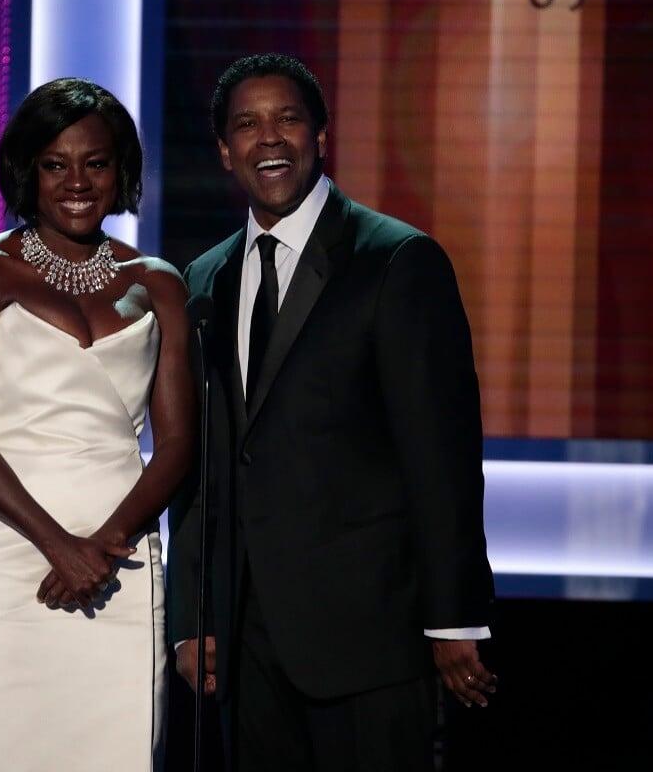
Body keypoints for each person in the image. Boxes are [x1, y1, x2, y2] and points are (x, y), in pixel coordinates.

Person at [165, 52, 497, 771]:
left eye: (288, 118)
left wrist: (454, 616)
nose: (270, 138)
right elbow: (202, 465)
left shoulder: (397, 260)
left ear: (322, 134)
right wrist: (190, 619)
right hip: (246, 643)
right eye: (247, 125)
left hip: (369, 636)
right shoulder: (204, 280)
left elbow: (440, 454)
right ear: (225, 152)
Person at [0, 78, 194, 771]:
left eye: (95, 163)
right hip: (8, 550)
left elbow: (179, 443)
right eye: (55, 163)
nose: (77, 181)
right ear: (27, 170)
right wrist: (58, 547)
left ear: (120, 171)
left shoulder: (159, 283)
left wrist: (102, 547)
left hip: (121, 559)